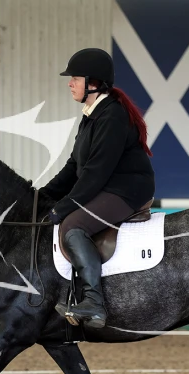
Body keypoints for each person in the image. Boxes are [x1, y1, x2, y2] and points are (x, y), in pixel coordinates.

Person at [42, 47, 156, 329]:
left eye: (75, 78)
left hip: (127, 190)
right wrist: (41, 197)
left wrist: (63, 208)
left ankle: (93, 303)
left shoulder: (112, 116)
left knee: (73, 226)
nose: (70, 83)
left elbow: (95, 173)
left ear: (93, 83)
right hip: (108, 186)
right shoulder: (91, 116)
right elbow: (74, 167)